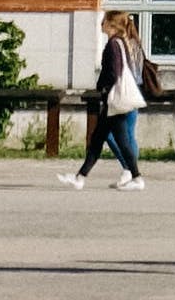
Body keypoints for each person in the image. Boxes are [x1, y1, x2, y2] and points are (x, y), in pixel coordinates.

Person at [65, 11, 153, 189]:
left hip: (115, 100)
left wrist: (104, 87)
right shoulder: (120, 42)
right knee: (98, 139)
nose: (101, 24)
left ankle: (136, 177)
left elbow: (115, 72)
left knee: (121, 140)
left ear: (112, 25)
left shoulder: (114, 44)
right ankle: (80, 177)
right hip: (114, 100)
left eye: (104, 21)